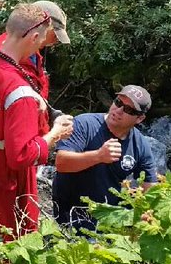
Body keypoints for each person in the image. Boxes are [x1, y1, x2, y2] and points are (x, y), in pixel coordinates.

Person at [0, 3, 74, 240]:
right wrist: (54, 133)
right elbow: (20, 155)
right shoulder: (19, 91)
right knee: (15, 239)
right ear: (34, 36)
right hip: (6, 174)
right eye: (45, 38)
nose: (47, 44)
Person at [52, 85, 159, 231]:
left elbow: (151, 188)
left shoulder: (140, 144)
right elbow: (61, 162)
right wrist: (98, 156)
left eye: (128, 110)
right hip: (71, 213)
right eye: (118, 102)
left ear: (139, 118)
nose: (119, 110)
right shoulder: (84, 124)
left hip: (109, 220)